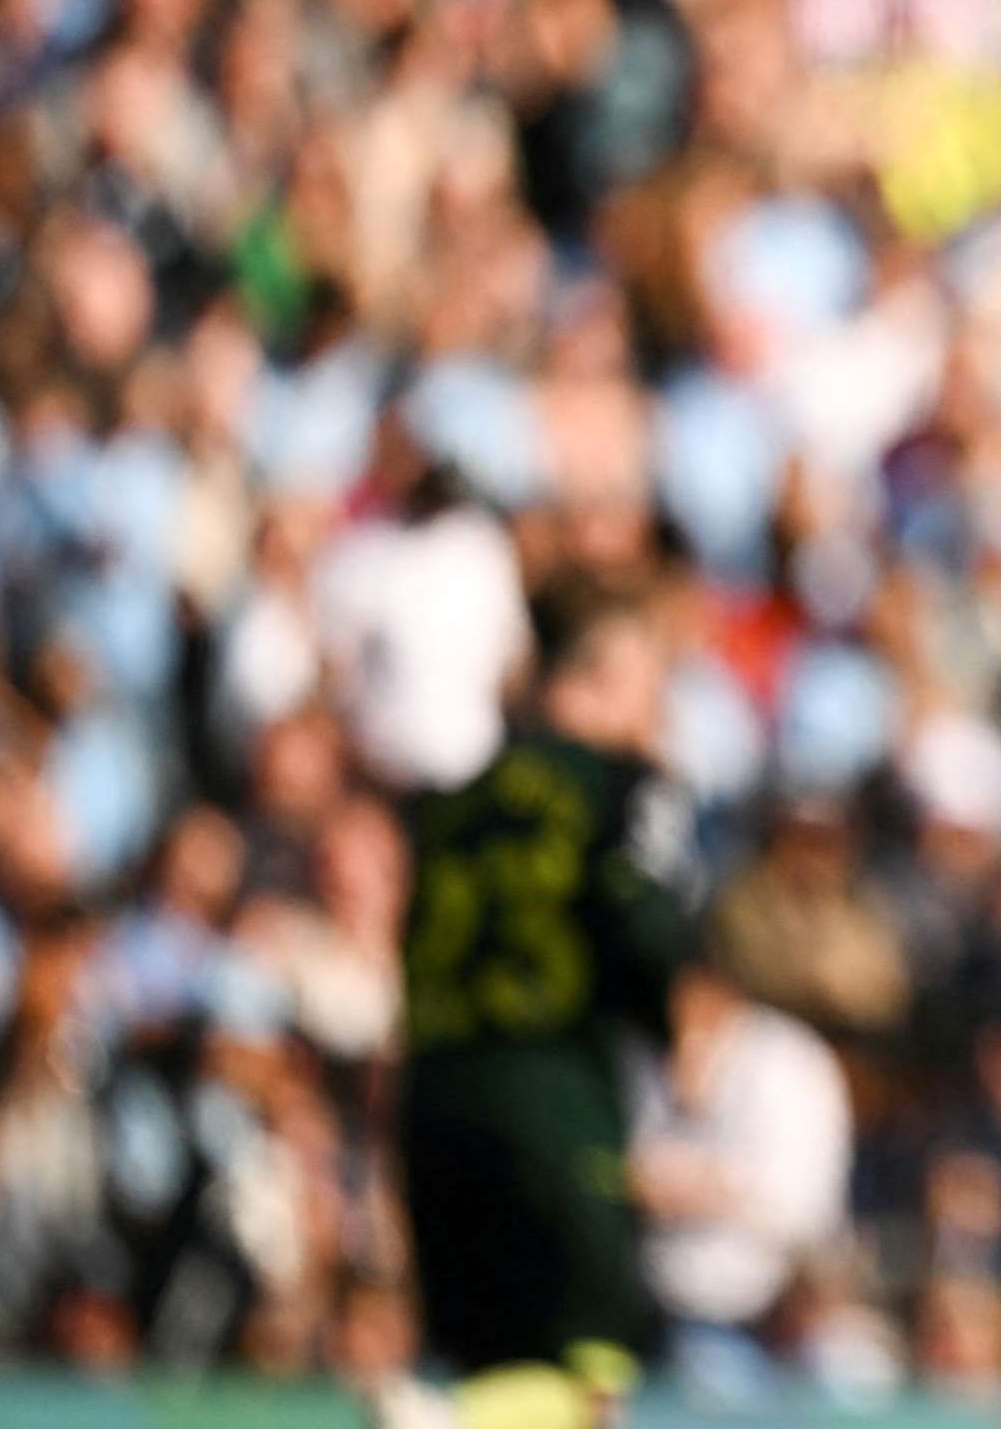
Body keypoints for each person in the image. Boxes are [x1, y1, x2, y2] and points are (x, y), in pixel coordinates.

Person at [392, 596, 699, 1411]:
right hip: (551, 1099)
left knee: (498, 1366)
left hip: (434, 1101)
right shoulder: (626, 785)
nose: (660, 713)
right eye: (652, 687)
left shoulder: (450, 802)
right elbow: (644, 930)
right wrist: (671, 1031)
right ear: (600, 681)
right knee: (590, 1375)